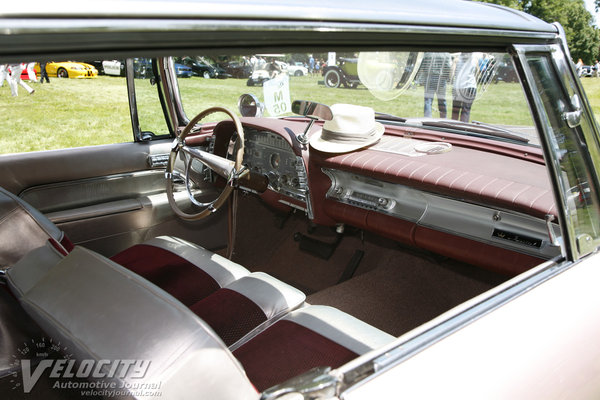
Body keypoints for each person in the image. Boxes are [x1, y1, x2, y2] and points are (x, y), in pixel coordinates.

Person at [421, 52, 452, 118]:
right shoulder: (445, 54)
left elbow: (423, 65)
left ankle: (427, 118)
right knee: (442, 100)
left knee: (428, 100)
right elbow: (448, 67)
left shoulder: (427, 53)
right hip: (441, 77)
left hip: (429, 77)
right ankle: (443, 118)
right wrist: (447, 77)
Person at [451, 53, 480, 122]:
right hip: (470, 86)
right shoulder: (474, 59)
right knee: (466, 110)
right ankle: (463, 128)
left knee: (455, 110)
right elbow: (478, 73)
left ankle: (453, 127)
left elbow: (452, 72)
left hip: (458, 87)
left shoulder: (457, 59)